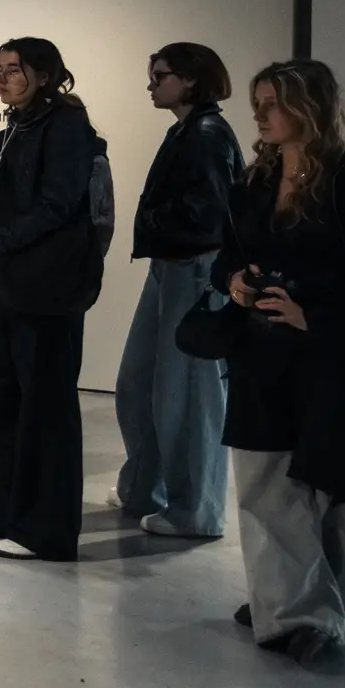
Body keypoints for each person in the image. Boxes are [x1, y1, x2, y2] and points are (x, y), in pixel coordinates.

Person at [218, 60, 345, 670]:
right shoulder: (256, 180)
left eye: (273, 102)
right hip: (264, 352)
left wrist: (315, 313)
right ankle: (286, 604)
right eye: (257, 102)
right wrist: (235, 280)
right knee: (263, 481)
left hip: (336, 354)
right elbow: (229, 254)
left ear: (312, 106)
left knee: (332, 490)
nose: (260, 114)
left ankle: (318, 614)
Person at [0, 38, 103, 562]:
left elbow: (57, 207)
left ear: (45, 74)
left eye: (14, 69)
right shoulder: (6, 133)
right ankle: (4, 507)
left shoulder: (67, 128)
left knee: (45, 410)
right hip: (0, 286)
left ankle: (47, 529)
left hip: (46, 290)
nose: (5, 79)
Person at [113, 43, 246, 537]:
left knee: (188, 395)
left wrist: (152, 220)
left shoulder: (206, 135)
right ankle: (145, 488)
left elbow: (208, 213)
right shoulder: (187, 131)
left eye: (161, 76)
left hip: (193, 270)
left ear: (190, 79)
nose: (151, 85)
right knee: (141, 383)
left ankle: (196, 510)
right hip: (170, 267)